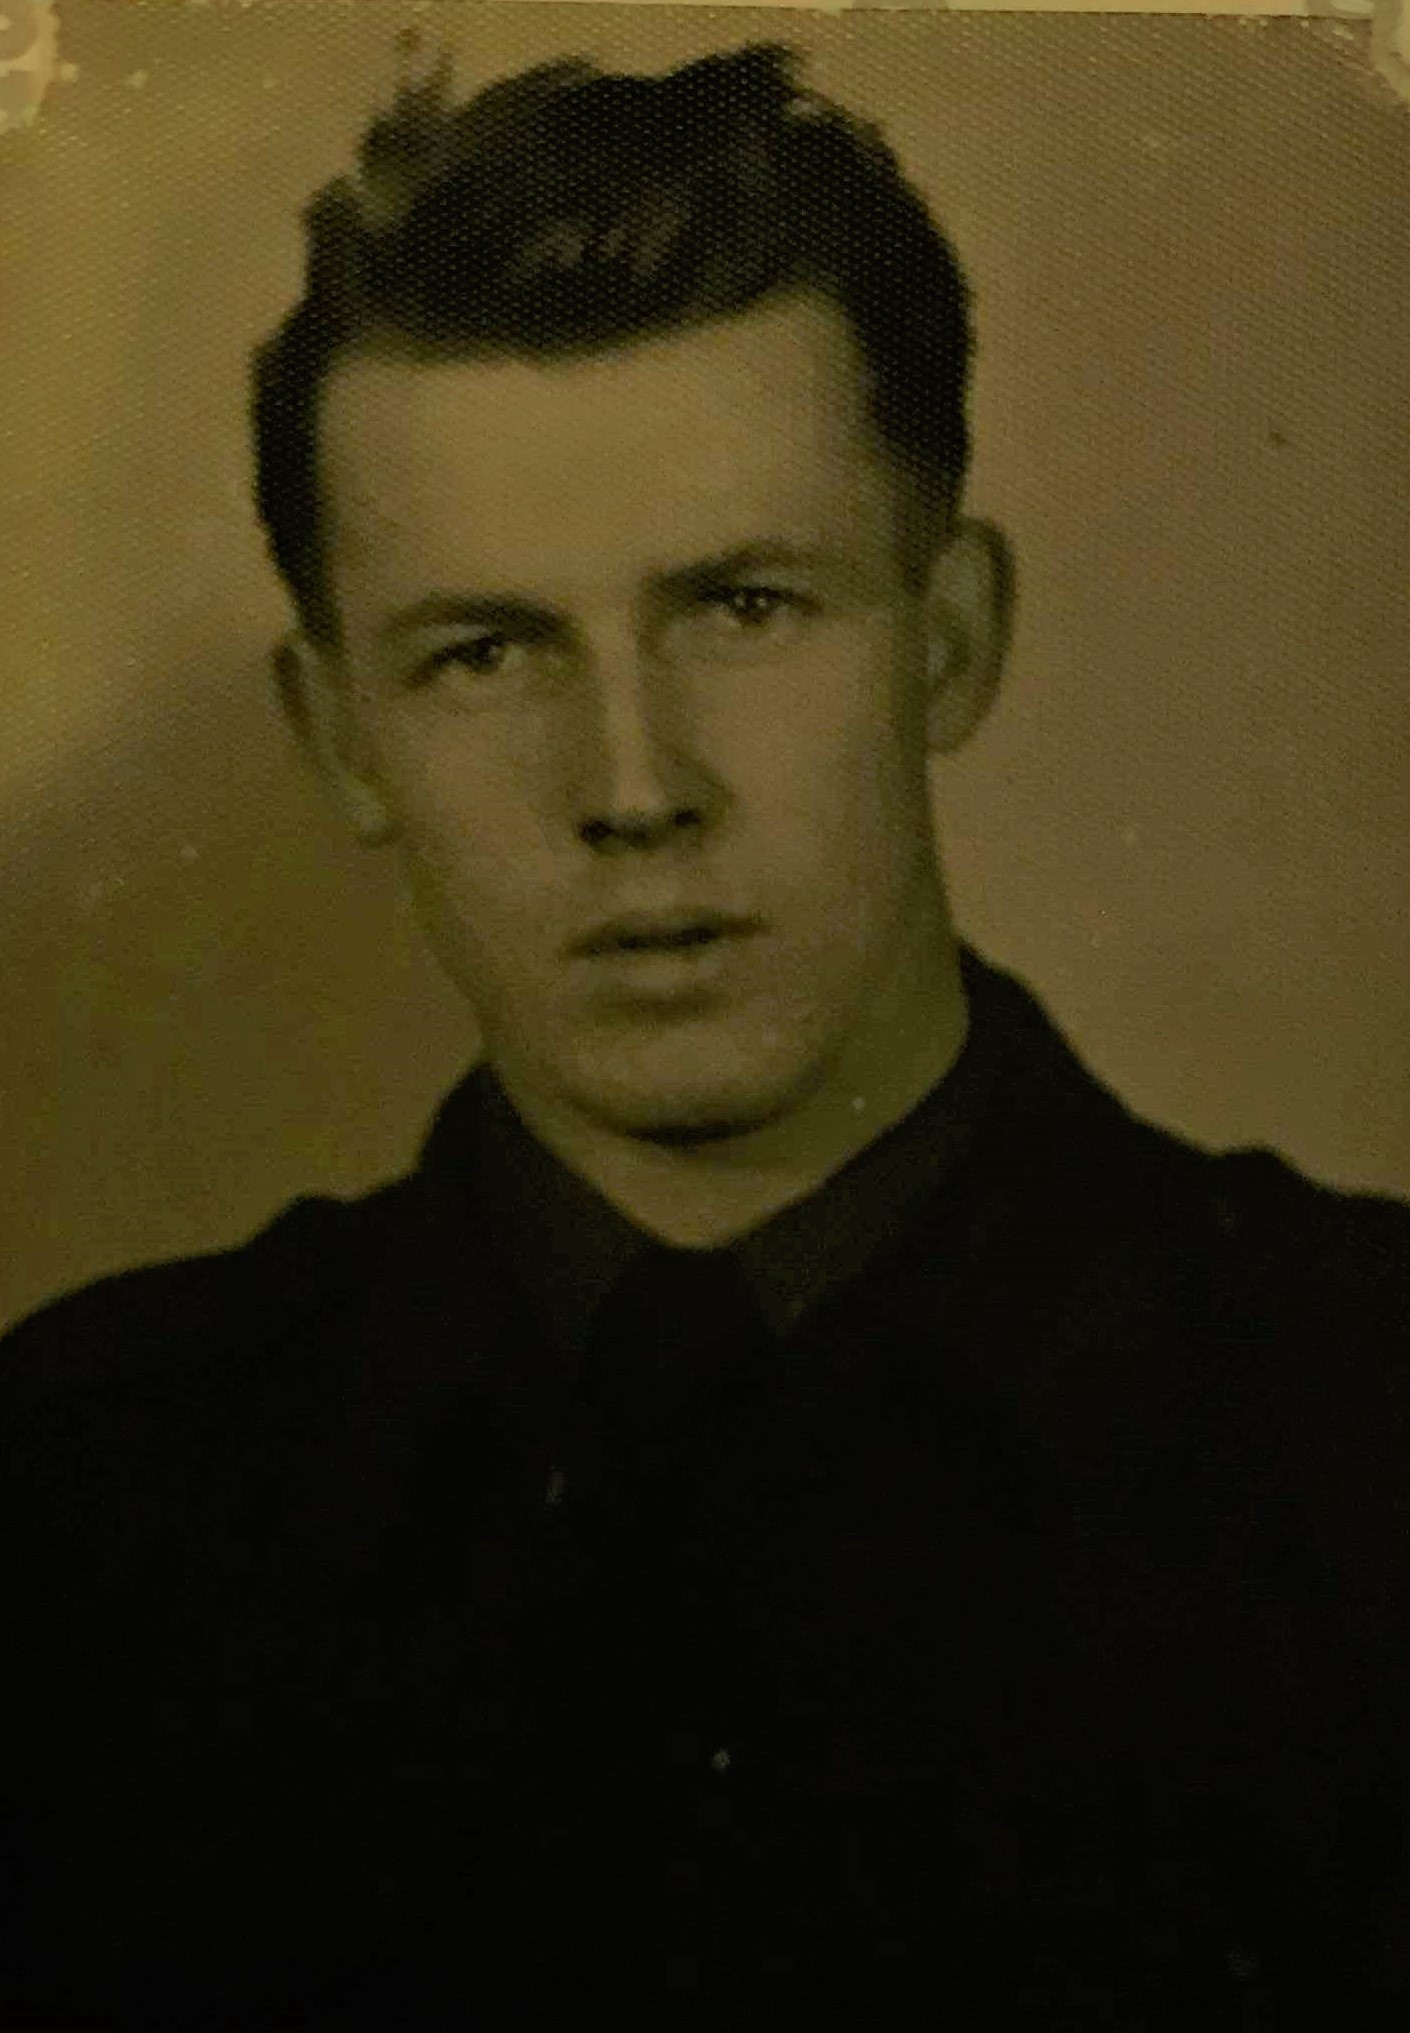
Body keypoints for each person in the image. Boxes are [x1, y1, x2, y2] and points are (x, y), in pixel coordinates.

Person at [2, 40, 1407, 2030]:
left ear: (949, 639)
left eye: (744, 608)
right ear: (340, 738)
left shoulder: (1369, 1424)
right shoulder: (70, 1507)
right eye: (485, 653)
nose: (633, 786)